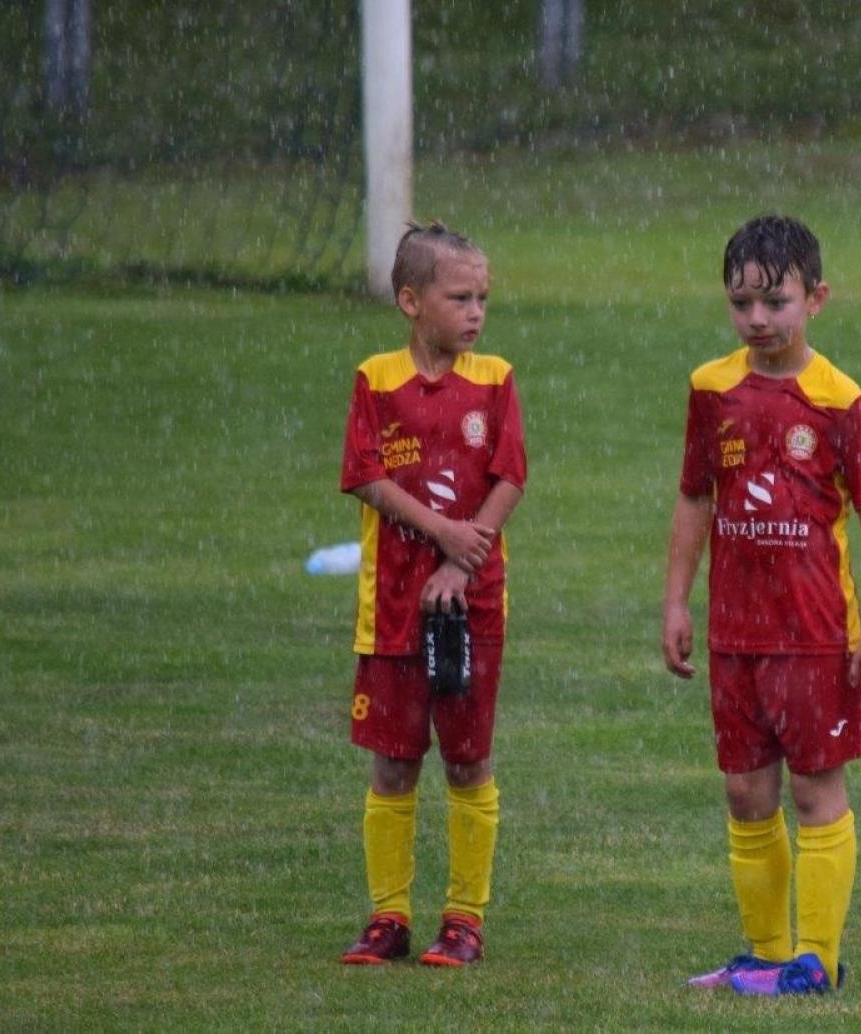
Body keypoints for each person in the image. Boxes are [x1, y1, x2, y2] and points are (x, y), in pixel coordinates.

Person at [662, 214, 861, 996]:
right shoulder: (711, 389)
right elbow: (695, 497)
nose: (758, 320)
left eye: (776, 302)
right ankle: (766, 955)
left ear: (817, 299)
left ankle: (817, 961)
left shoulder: (839, 401)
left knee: (815, 790)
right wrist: (676, 602)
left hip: (816, 635)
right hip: (736, 634)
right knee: (746, 792)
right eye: (741, 303)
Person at [338, 221, 526, 968]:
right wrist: (437, 532)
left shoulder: (496, 380)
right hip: (391, 609)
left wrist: (463, 552)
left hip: (472, 608)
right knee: (393, 762)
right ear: (410, 301)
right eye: (460, 297)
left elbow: (510, 477)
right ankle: (388, 918)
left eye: (482, 297)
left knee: (467, 761)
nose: (476, 311)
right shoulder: (375, 380)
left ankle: (464, 920)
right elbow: (365, 475)